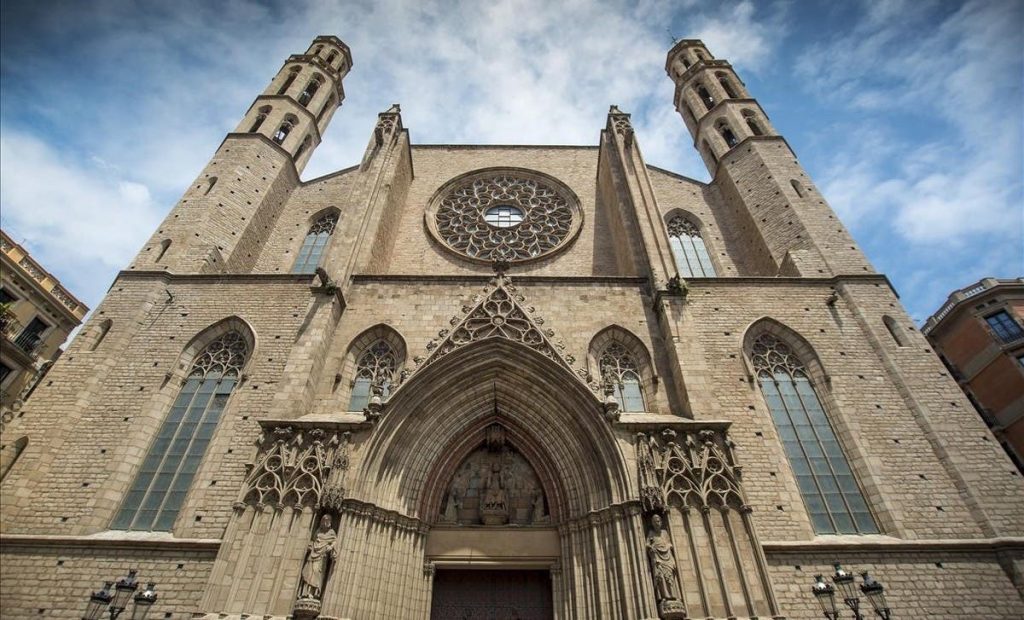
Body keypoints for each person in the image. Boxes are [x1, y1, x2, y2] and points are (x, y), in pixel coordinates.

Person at [299, 514, 338, 600]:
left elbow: (334, 541)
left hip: (322, 557)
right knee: (309, 572)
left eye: (327, 520)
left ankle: (314, 592)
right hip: (313, 555)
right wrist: (311, 545)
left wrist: (331, 547)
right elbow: (313, 540)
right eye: (324, 520)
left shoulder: (331, 532)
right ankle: (306, 592)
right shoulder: (318, 531)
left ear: (330, 522)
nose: (325, 522)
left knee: (317, 572)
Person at [646, 513, 681, 603]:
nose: (657, 523)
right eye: (655, 521)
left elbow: (669, 543)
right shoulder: (651, 533)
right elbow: (647, 544)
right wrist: (651, 548)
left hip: (667, 556)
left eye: (658, 521)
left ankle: (673, 595)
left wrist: (668, 547)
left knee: (670, 576)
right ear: (652, 523)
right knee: (660, 576)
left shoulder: (665, 533)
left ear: (661, 522)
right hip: (658, 558)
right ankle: (664, 596)